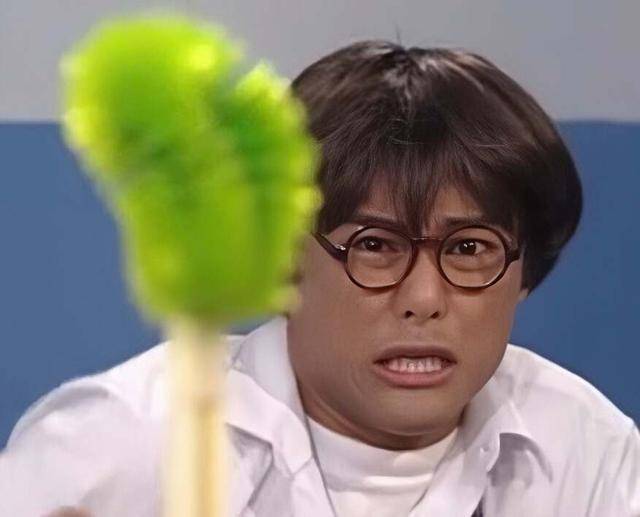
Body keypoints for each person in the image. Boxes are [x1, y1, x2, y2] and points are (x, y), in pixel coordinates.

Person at [0, 42, 638, 517]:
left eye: (470, 249)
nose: (423, 299)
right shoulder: (117, 448)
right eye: (375, 246)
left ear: (524, 273)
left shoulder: (583, 445)